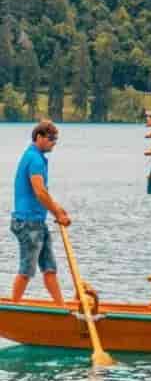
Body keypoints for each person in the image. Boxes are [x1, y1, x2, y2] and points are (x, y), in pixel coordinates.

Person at [10, 121, 69, 304]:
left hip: (38, 221)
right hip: (28, 223)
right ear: (39, 137)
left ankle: (61, 307)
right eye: (51, 139)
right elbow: (39, 191)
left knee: (50, 267)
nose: (54, 143)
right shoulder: (34, 159)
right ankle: (14, 307)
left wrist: (58, 209)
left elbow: (43, 193)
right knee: (27, 269)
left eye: (56, 140)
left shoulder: (37, 157)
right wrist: (57, 214)